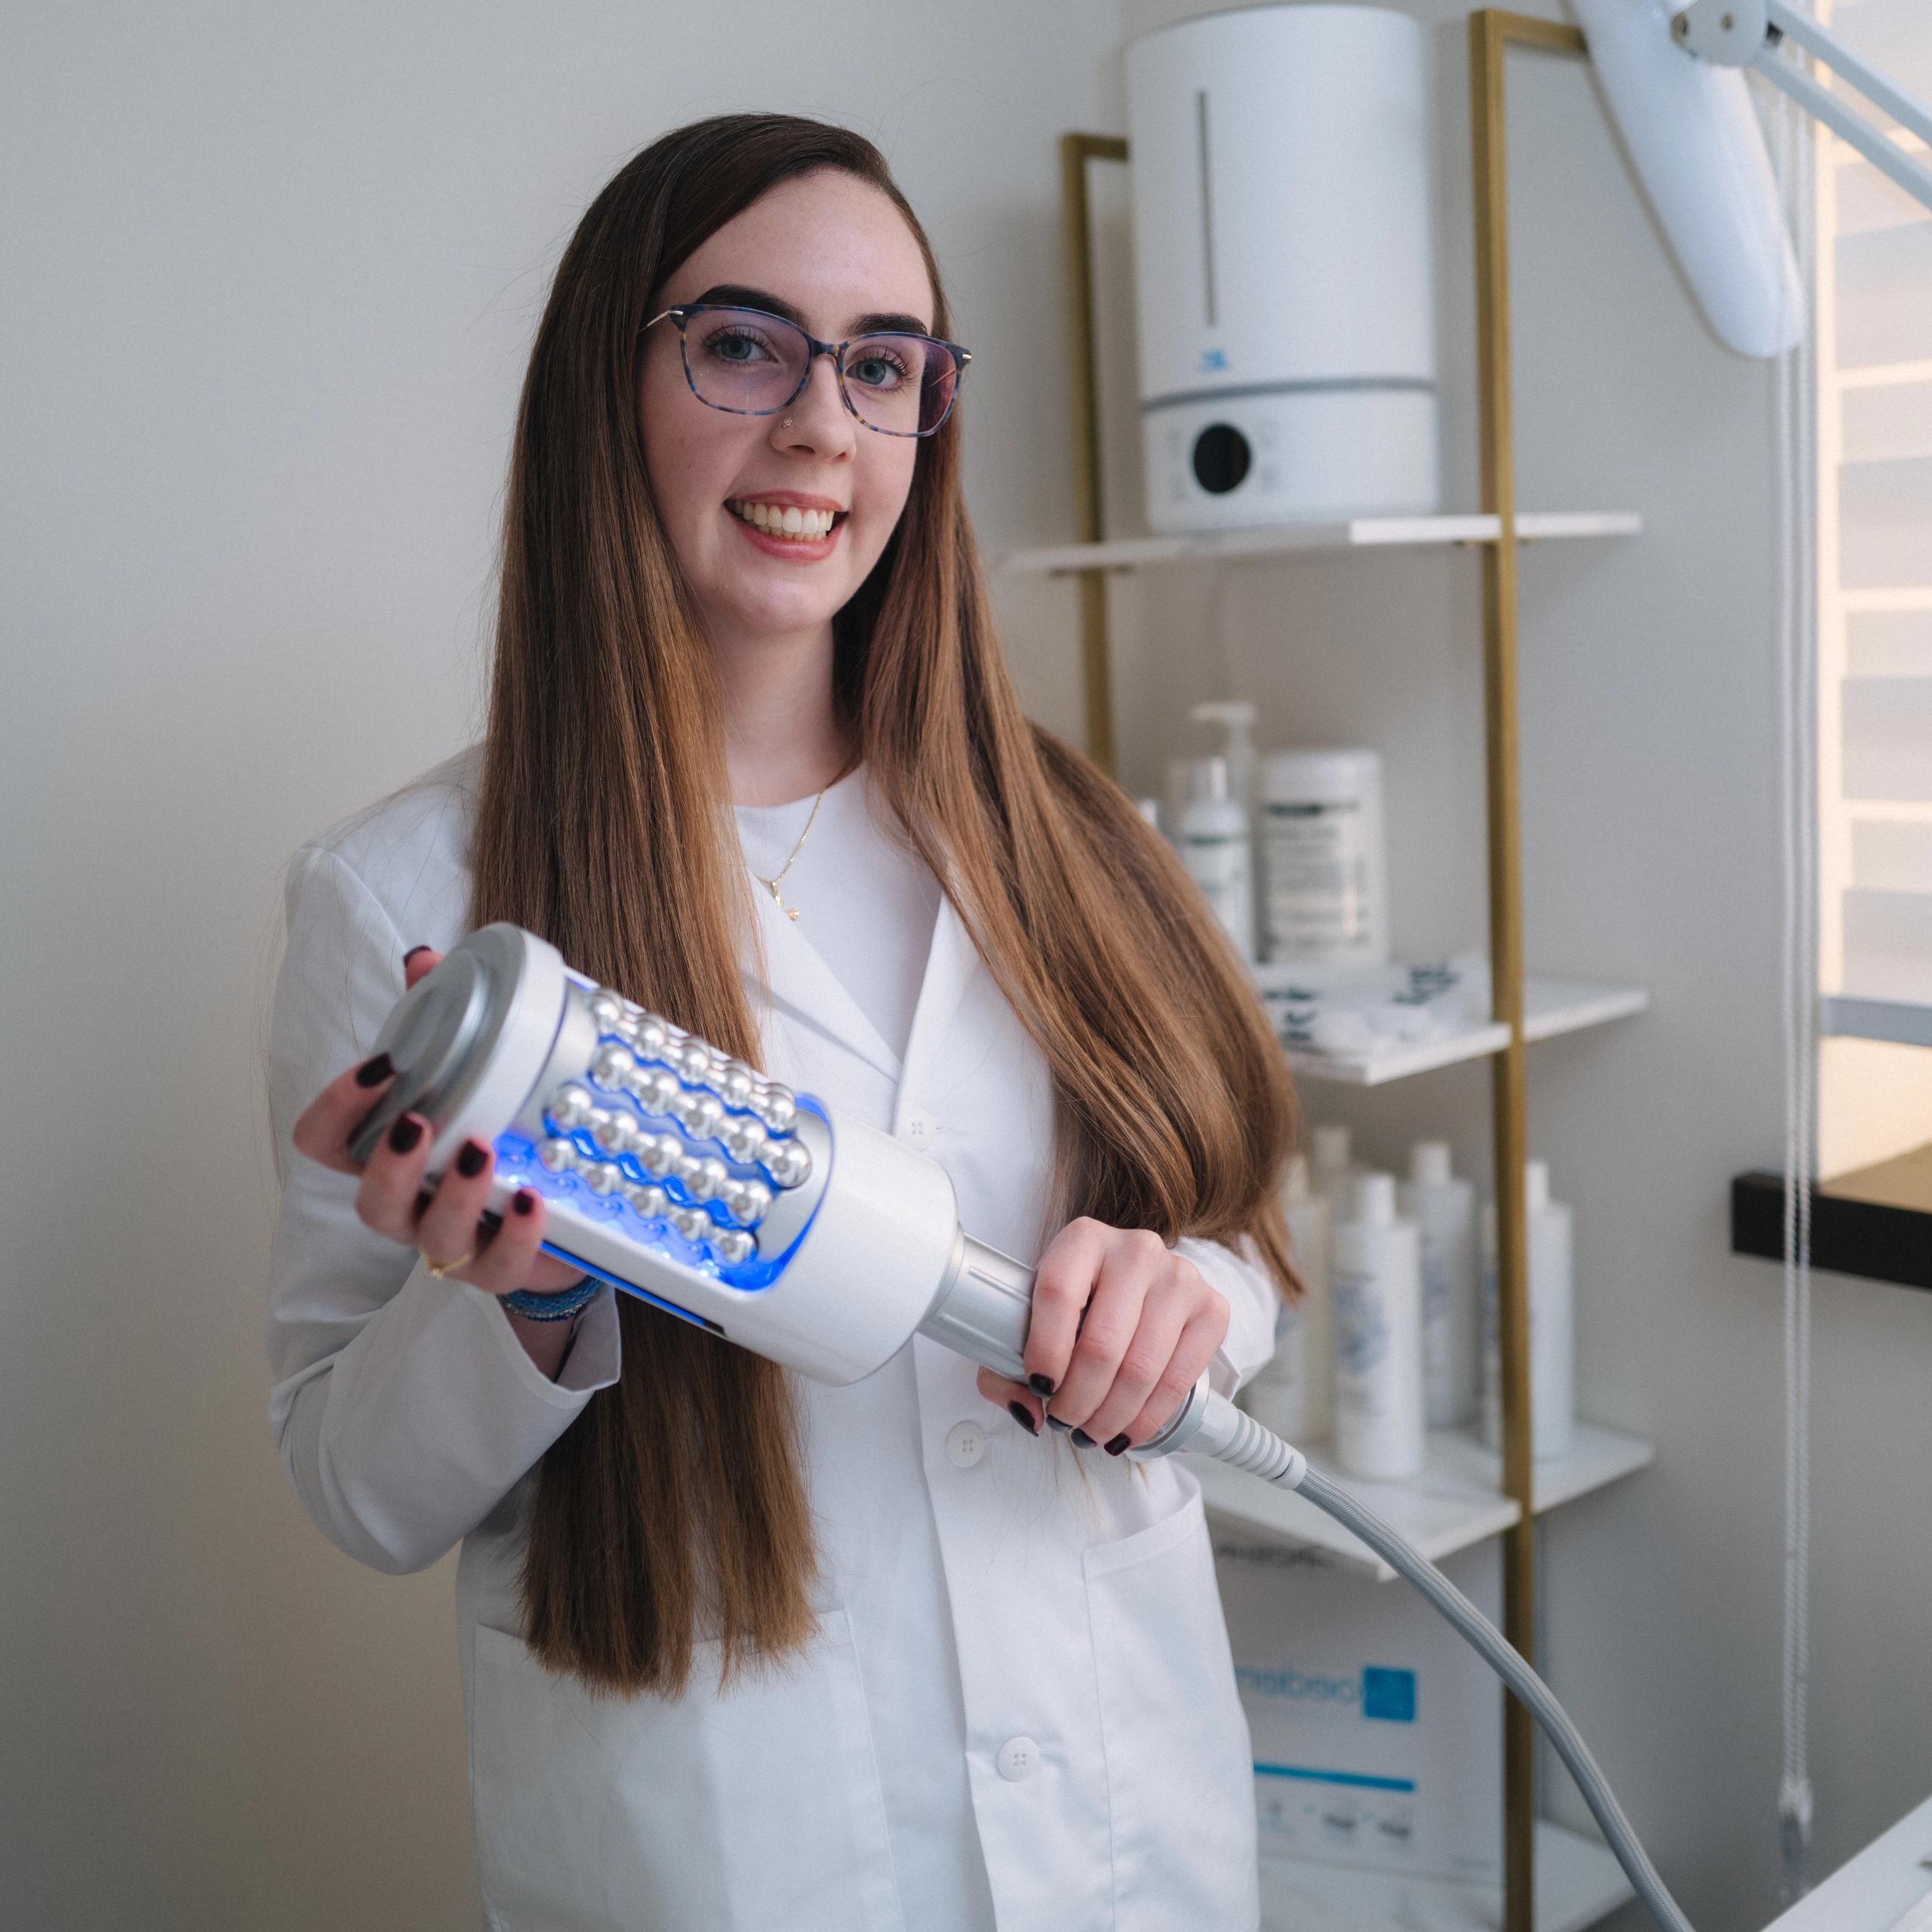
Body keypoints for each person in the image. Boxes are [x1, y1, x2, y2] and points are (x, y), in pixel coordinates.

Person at [266, 112, 1302, 1932]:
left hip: (1121, 1829)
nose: (823, 422)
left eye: (885, 365)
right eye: (743, 343)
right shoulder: (406, 896)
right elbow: (351, 1480)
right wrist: (518, 1306)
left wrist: (1189, 1299)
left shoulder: (1061, 829)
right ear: (610, 384)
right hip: (728, 1852)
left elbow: (1240, 1240)